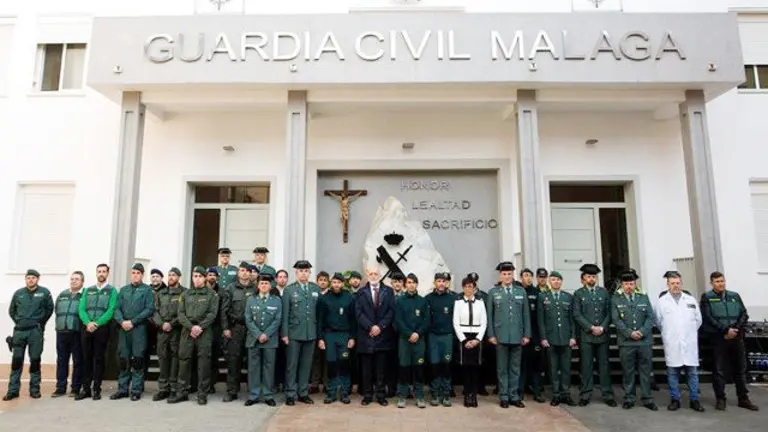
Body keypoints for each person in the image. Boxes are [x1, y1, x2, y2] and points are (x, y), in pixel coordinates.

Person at [700, 271, 759, 411]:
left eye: (722, 281)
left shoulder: (734, 296)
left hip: (736, 337)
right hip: (719, 338)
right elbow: (708, 317)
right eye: (717, 282)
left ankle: (743, 398)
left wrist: (736, 329)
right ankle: (720, 398)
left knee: (740, 369)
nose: (720, 284)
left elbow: (744, 314)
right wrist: (725, 330)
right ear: (712, 283)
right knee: (719, 369)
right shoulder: (707, 297)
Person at [655, 270, 705, 412]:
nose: (676, 285)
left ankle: (694, 400)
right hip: (672, 343)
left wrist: (686, 332)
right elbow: (658, 322)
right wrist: (672, 332)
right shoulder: (662, 302)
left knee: (692, 374)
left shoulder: (690, 300)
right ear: (668, 285)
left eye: (678, 283)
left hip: (689, 343)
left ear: (681, 283)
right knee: (672, 373)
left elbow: (698, 320)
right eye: (672, 283)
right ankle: (675, 399)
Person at [169, 266, 219, 405]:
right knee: (184, 360)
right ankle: (182, 392)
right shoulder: (185, 294)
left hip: (204, 331)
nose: (196, 279)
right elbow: (181, 314)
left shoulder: (212, 295)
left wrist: (199, 327)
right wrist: (191, 327)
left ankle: (202, 393)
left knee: (203, 363)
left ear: (204, 278)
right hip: (187, 331)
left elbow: (212, 314)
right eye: (194, 276)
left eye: (199, 276)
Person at [3, 269, 54, 401]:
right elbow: (12, 310)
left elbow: (49, 309)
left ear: (38, 279)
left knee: (35, 360)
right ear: (25, 279)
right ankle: (13, 390)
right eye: (28, 278)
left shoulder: (44, 293)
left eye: (33, 278)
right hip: (19, 331)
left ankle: (34, 389)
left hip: (35, 332)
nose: (30, 280)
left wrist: (39, 323)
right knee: (16, 362)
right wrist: (20, 321)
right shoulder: (18, 293)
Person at [486, 261, 531, 408]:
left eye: (509, 274)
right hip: (500, 336)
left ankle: (514, 395)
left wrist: (527, 335)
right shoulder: (493, 293)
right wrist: (491, 335)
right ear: (500, 275)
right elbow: (489, 316)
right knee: (502, 368)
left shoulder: (521, 291)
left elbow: (526, 315)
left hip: (518, 336)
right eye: (504, 274)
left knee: (515, 368)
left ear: (513, 275)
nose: (507, 276)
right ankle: (504, 396)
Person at [611, 269, 657, 410]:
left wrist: (642, 332)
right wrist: (630, 333)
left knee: (645, 370)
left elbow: (651, 317)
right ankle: (629, 398)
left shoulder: (643, 296)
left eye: (631, 283)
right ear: (622, 285)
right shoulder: (615, 298)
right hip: (626, 342)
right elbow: (616, 319)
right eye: (626, 284)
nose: (629, 286)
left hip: (644, 341)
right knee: (628, 371)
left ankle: (647, 398)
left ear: (635, 283)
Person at [573, 263, 616, 407]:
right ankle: (585, 394)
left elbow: (609, 312)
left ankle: (608, 394)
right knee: (586, 366)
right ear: (582, 279)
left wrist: (603, 327)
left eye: (593, 276)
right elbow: (577, 314)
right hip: (586, 336)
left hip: (602, 336)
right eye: (588, 276)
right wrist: (591, 327)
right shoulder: (578, 294)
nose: (591, 279)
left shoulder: (603, 292)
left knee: (604, 366)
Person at [111, 263, 155, 401]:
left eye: (138, 273)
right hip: (123, 329)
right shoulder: (123, 290)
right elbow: (116, 308)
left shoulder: (147, 290)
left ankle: (136, 390)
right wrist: (122, 321)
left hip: (138, 329)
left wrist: (133, 321)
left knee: (138, 360)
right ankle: (123, 389)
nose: (135, 275)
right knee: (123, 359)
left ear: (142, 275)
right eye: (133, 272)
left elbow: (149, 309)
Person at [281, 260, 322, 405]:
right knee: (292, 365)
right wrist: (284, 334)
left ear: (309, 273)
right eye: (301, 271)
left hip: (310, 333)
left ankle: (303, 392)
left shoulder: (315, 289)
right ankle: (290, 394)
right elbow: (285, 314)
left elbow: (319, 314)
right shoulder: (289, 290)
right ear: (296, 273)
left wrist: (319, 334)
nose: (303, 273)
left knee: (306, 365)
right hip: (293, 333)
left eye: (306, 271)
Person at [354, 266, 396, 406]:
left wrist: (380, 326)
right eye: (371, 274)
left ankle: (380, 395)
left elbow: (391, 311)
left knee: (381, 369)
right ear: (367, 275)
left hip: (383, 336)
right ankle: (367, 395)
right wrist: (370, 327)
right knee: (366, 369)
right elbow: (358, 313)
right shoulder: (361, 292)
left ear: (380, 275)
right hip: (366, 336)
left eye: (376, 273)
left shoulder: (388, 291)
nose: (373, 276)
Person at [76, 264, 117, 401]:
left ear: (107, 274)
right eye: (99, 271)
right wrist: (88, 323)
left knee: (98, 359)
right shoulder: (88, 290)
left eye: (104, 272)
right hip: (87, 328)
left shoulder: (112, 291)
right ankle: (85, 388)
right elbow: (81, 309)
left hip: (102, 329)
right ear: (96, 273)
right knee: (86, 358)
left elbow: (111, 310)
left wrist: (97, 323)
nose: (101, 274)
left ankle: (96, 389)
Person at [537, 271, 577, 407]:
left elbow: (572, 319)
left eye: (558, 280)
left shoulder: (568, 297)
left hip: (566, 338)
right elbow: (540, 320)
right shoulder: (543, 297)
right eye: (553, 279)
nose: (556, 282)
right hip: (551, 338)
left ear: (561, 281)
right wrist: (543, 337)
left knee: (566, 368)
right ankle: (556, 394)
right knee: (553, 368)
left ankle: (566, 393)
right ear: (549, 281)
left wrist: (573, 336)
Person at [317, 272, 357, 404]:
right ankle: (332, 392)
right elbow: (320, 320)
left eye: (338, 282)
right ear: (330, 283)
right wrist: (320, 338)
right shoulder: (324, 298)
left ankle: (345, 392)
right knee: (332, 364)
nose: (336, 285)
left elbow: (353, 319)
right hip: (329, 335)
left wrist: (352, 337)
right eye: (334, 282)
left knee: (344, 363)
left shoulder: (349, 297)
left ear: (342, 284)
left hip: (344, 335)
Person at [220, 261, 256, 402]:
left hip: (252, 329)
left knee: (252, 361)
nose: (245, 273)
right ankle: (232, 391)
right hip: (235, 329)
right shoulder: (230, 288)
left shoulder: (255, 289)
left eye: (247, 270)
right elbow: (224, 310)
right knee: (234, 361)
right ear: (238, 272)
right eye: (242, 270)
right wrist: (225, 328)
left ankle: (252, 390)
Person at [244, 273, 282, 407]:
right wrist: (258, 334)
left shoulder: (276, 300)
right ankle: (254, 395)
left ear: (271, 285)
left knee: (268, 368)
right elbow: (248, 319)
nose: (264, 285)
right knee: (254, 368)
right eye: (261, 283)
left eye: (266, 283)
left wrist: (266, 334)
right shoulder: (251, 300)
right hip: (254, 339)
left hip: (270, 340)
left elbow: (277, 320)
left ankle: (268, 395)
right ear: (257, 285)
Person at [394, 273, 429, 408]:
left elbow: (426, 321)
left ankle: (419, 395)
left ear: (417, 284)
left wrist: (417, 333)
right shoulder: (400, 301)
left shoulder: (422, 301)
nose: (411, 285)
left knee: (419, 368)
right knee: (404, 368)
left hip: (419, 341)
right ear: (405, 285)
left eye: (414, 282)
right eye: (409, 282)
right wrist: (409, 334)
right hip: (404, 340)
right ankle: (402, 396)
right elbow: (398, 321)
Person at [151, 267, 186, 401]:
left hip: (176, 331)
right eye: (169, 275)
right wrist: (162, 324)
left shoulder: (184, 293)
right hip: (162, 331)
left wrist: (172, 323)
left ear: (179, 277)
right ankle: (163, 389)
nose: (171, 277)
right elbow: (155, 311)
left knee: (175, 359)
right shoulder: (161, 293)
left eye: (174, 275)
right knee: (163, 359)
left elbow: (184, 312)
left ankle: (173, 388)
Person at [453, 274, 487, 408]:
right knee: (466, 367)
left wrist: (478, 339)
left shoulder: (480, 303)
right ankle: (467, 394)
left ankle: (474, 394)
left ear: (475, 288)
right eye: (466, 286)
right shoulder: (458, 303)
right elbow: (456, 323)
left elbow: (484, 322)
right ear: (463, 288)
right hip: (464, 336)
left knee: (475, 367)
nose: (468, 289)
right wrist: (464, 340)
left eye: (471, 286)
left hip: (477, 336)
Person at [52, 271, 85, 398]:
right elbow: (56, 309)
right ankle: (60, 387)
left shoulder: (84, 295)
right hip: (61, 332)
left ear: (82, 282)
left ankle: (75, 388)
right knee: (61, 361)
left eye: (77, 279)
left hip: (76, 332)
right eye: (72, 279)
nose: (73, 281)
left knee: (77, 361)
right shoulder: (62, 295)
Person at [425, 272, 456, 407]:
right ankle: (435, 393)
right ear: (434, 283)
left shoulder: (453, 299)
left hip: (447, 336)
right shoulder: (428, 299)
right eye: (439, 281)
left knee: (446, 364)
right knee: (435, 365)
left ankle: (446, 393)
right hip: (433, 336)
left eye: (444, 281)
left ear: (447, 283)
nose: (441, 283)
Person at [518, 268, 545, 403]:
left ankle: (537, 392)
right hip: (521, 334)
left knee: (536, 365)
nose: (528, 278)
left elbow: (540, 315)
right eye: (525, 275)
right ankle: (520, 392)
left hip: (535, 334)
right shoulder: (517, 291)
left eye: (530, 276)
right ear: (520, 277)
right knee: (521, 365)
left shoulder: (537, 292)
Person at [310, 271, 330, 395]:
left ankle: (327, 384)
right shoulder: (313, 294)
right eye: (320, 280)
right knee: (315, 358)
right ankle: (315, 384)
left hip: (327, 330)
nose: (322, 282)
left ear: (328, 282)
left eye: (325, 280)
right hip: (314, 328)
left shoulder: (330, 295)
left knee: (327, 358)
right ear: (317, 281)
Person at [387, 272, 406, 397]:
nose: (397, 284)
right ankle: (391, 388)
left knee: (403, 363)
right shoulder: (387, 296)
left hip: (404, 334)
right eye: (395, 281)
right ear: (391, 283)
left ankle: (404, 389)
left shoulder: (406, 297)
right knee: (390, 363)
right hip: (389, 334)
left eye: (399, 281)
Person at [205, 267, 223, 394]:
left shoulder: (222, 291)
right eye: (209, 274)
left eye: (214, 275)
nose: (212, 276)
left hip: (216, 328)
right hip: (202, 328)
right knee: (202, 357)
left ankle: (211, 384)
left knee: (214, 357)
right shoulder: (201, 290)